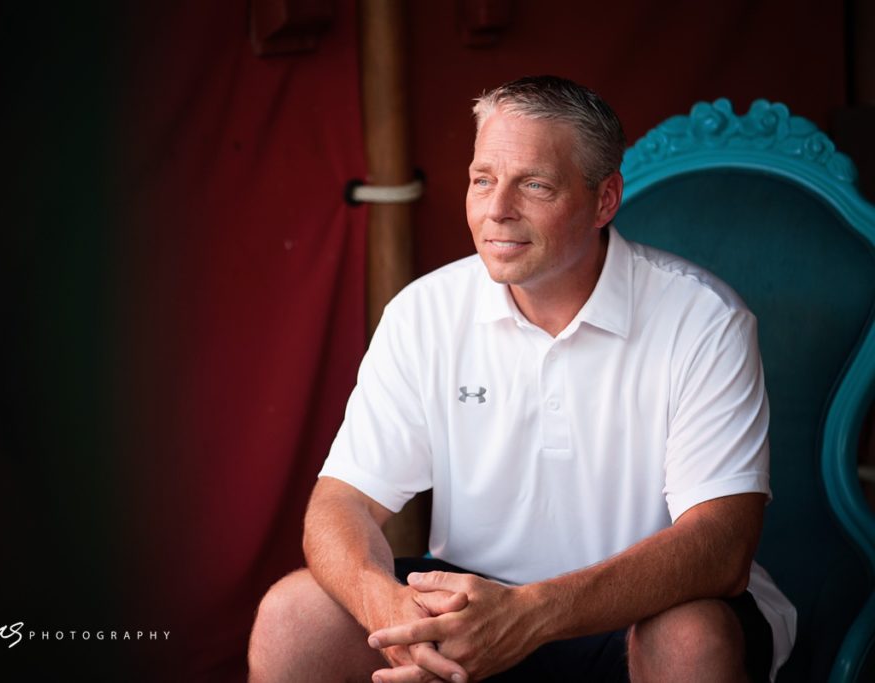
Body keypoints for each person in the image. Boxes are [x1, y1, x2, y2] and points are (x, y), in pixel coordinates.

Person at [247, 75, 796, 683]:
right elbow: (340, 502)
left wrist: (532, 612)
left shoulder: (703, 320)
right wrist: (390, 611)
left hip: (641, 613)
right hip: (473, 605)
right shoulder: (423, 312)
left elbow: (721, 547)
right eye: (483, 180)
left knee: (689, 637)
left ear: (604, 199)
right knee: (293, 615)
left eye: (534, 185)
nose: (496, 209)